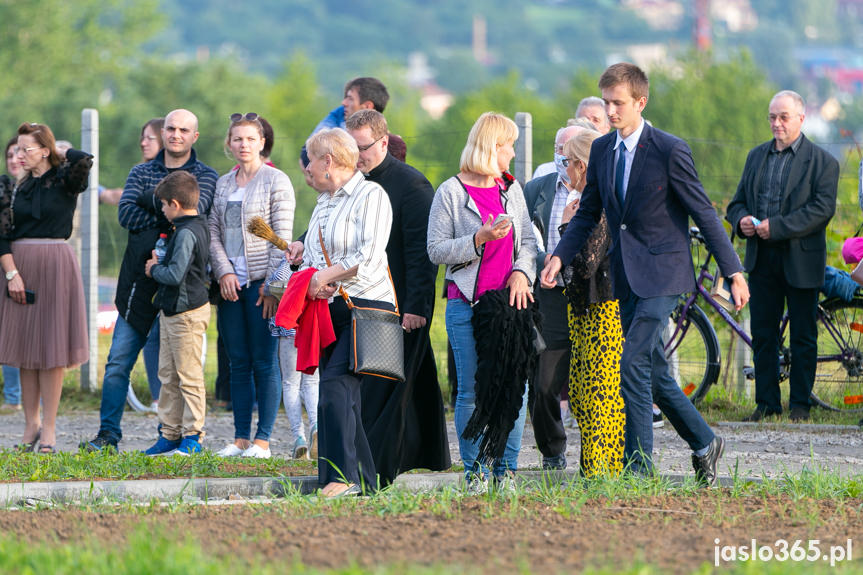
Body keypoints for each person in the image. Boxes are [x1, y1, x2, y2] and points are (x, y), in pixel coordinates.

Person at [541, 63, 749, 486]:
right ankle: (706, 442)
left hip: (664, 274)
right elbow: (589, 215)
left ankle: (639, 469)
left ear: (641, 102)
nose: (611, 111)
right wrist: (560, 256)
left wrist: (734, 271)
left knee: (629, 361)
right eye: (606, 102)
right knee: (651, 369)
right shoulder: (602, 151)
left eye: (618, 103)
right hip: (625, 276)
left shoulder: (669, 149)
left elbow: (704, 213)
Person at [80, 109, 217, 452]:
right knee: (117, 364)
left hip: (180, 292)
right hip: (138, 285)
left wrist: (149, 201)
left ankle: (179, 435)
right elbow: (126, 214)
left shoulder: (206, 175)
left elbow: (198, 211)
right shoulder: (142, 170)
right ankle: (108, 434)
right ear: (163, 131)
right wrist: (166, 207)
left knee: (175, 371)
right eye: (169, 128)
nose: (175, 134)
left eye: (183, 129)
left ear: (194, 136)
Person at [427, 112, 537, 494]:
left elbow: (528, 246)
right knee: (472, 391)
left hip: (511, 307)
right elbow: (436, 250)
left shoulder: (512, 190)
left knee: (513, 388)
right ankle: (475, 474)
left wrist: (522, 273)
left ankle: (506, 472)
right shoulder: (451, 192)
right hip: (467, 307)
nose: (512, 152)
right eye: (508, 145)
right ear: (492, 147)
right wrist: (478, 238)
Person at [345, 109, 451, 486]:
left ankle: (374, 470)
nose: (356, 157)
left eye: (363, 148)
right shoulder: (354, 184)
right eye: (350, 148)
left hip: (401, 305)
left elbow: (422, 255)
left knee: (385, 388)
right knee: (410, 384)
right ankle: (421, 455)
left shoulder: (412, 186)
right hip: (364, 303)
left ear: (384, 142)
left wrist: (417, 308)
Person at [726, 90, 838, 423]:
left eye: (783, 117)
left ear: (801, 119)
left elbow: (821, 211)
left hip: (801, 260)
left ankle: (800, 405)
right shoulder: (756, 157)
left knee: (804, 334)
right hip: (762, 259)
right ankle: (767, 403)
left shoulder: (823, 162)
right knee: (763, 333)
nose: (776, 123)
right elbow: (736, 203)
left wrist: (779, 227)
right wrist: (741, 220)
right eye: (772, 117)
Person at [296, 127, 395, 497]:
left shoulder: (371, 195)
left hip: (364, 304)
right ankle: (362, 482)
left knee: (336, 388)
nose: (307, 166)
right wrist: (306, 265)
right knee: (340, 393)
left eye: (310, 158)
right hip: (330, 306)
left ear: (328, 160)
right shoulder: (325, 200)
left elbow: (367, 258)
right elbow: (315, 254)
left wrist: (324, 275)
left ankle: (344, 477)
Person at [0, 122, 93, 453]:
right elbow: (2, 235)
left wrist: (57, 153)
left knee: (52, 351)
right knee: (25, 352)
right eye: (16, 150)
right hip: (20, 266)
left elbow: (84, 160)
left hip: (55, 263)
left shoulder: (65, 180)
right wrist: (12, 274)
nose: (19, 155)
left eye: (26, 149)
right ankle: (31, 425)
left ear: (44, 150)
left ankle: (50, 429)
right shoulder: (12, 188)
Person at [210, 112, 295, 460]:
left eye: (250, 139)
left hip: (263, 285)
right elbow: (212, 232)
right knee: (237, 361)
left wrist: (273, 287)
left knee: (264, 360)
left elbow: (283, 239)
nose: (243, 145)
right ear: (229, 144)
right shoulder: (223, 184)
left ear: (263, 142)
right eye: (237, 139)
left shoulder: (277, 181)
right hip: (232, 285)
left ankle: (263, 440)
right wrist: (224, 271)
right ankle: (241, 437)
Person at [523, 124, 590, 470]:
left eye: (568, 149)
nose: (561, 155)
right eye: (557, 147)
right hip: (550, 294)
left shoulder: (598, 193)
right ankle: (552, 450)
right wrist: (541, 265)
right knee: (545, 381)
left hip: (592, 295)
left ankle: (600, 455)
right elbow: (524, 241)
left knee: (593, 379)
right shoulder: (536, 189)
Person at [559, 128, 625, 477]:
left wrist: (566, 228)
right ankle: (596, 469)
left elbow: (585, 264)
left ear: (582, 167)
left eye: (568, 163)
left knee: (600, 395)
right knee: (583, 395)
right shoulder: (583, 204)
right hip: (584, 311)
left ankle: (602, 474)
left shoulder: (596, 208)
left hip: (604, 310)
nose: (565, 170)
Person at [142, 171, 211, 455]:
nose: (161, 210)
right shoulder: (194, 225)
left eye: (163, 205)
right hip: (171, 313)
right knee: (168, 375)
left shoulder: (185, 232)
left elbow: (174, 275)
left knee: (189, 375)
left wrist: (153, 269)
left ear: (174, 204)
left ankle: (193, 435)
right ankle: (170, 433)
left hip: (186, 314)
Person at [302, 77, 407, 165]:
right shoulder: (340, 115)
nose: (343, 103)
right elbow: (307, 154)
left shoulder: (394, 145)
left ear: (367, 106)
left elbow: (310, 157)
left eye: (350, 99)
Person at [137, 118, 165, 412]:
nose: (143, 143)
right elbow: (127, 213)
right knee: (150, 335)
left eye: (149, 138)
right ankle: (157, 397)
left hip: (170, 270)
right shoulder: (139, 172)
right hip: (144, 267)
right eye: (142, 138)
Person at [1, 136, 23, 413]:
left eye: (20, 152)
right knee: (8, 330)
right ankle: (13, 397)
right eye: (9, 155)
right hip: (6, 265)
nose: (14, 158)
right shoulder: (3, 187)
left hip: (35, 263)